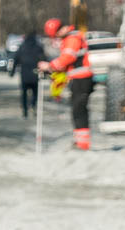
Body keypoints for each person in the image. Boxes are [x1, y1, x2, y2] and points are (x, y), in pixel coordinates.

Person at [39, 17, 95, 151]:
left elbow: (68, 58)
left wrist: (50, 66)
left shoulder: (72, 39)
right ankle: (80, 142)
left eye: (55, 36)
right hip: (78, 78)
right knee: (77, 110)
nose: (56, 38)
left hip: (82, 79)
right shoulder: (71, 38)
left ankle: (83, 144)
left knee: (79, 110)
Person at [12, 29, 46, 119]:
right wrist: (46, 71)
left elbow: (16, 59)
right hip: (35, 74)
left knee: (24, 93)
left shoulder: (22, 47)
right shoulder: (38, 47)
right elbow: (44, 59)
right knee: (35, 93)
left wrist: (12, 71)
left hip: (24, 74)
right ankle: (33, 105)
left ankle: (25, 111)